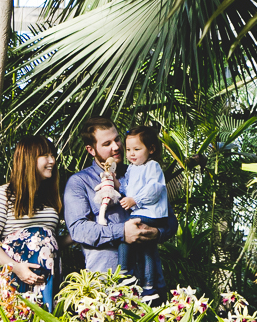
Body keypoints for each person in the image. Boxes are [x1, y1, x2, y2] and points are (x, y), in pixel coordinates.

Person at [64, 116, 177, 277]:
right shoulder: (80, 182)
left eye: (117, 140)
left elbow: (171, 221)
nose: (116, 147)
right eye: (107, 144)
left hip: (148, 280)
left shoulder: (143, 170)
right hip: (107, 283)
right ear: (91, 150)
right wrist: (122, 232)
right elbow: (78, 230)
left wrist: (157, 232)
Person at [0, 135, 64, 307]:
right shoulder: (4, 194)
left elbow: (49, 242)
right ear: (29, 159)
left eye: (53, 156)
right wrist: (16, 267)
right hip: (15, 278)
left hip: (48, 280)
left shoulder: (50, 198)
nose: (52, 161)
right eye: (45, 156)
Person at [118, 126, 168, 298]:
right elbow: (128, 187)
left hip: (151, 212)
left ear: (151, 149)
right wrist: (118, 187)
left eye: (137, 149)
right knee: (146, 249)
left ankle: (122, 273)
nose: (131, 154)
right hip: (142, 211)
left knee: (125, 237)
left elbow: (154, 189)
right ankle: (148, 285)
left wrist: (135, 200)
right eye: (129, 150)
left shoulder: (152, 166)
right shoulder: (132, 168)